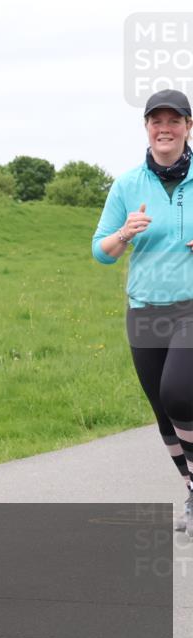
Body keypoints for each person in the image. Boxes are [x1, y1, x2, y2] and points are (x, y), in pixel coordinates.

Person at [92, 88, 193, 536]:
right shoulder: (127, 185)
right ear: (147, 127)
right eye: (157, 121)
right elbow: (101, 251)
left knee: (179, 394)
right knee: (163, 410)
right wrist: (124, 234)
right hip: (145, 309)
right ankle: (191, 490)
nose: (164, 128)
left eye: (174, 120)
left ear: (188, 127)